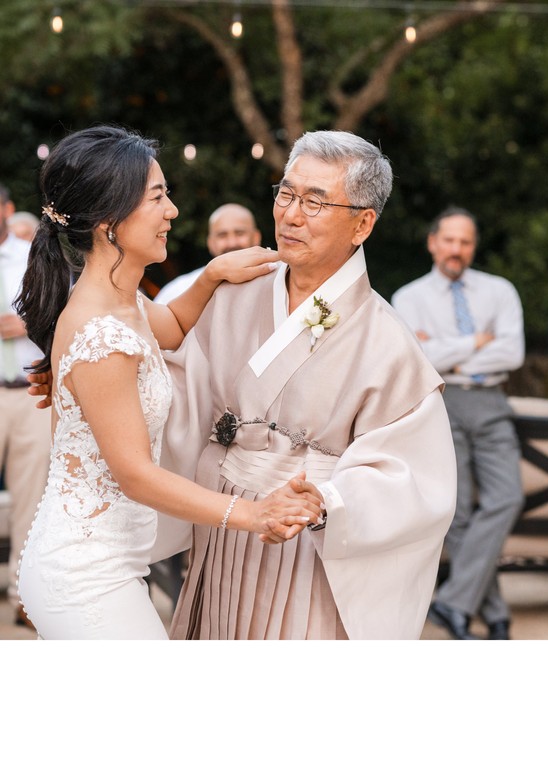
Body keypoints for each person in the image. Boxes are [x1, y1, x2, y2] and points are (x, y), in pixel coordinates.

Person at [14, 125, 321, 639]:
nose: (172, 212)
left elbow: (174, 329)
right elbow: (135, 474)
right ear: (110, 220)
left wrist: (212, 274)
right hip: (84, 575)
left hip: (110, 565)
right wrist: (254, 514)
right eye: (158, 197)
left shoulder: (121, 301)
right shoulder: (102, 334)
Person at [155, 130, 457, 639]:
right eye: (287, 193)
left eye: (316, 202)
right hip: (225, 522)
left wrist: (327, 504)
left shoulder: (386, 340)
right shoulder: (234, 296)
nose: (291, 215)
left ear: (363, 224)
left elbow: (413, 478)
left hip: (305, 545)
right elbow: (177, 397)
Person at [392, 207, 525, 640]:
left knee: (508, 496)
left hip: (490, 400)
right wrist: (475, 341)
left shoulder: (499, 291)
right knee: (458, 509)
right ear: (433, 242)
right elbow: (418, 359)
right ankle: (494, 610)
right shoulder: (408, 299)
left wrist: (444, 348)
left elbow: (512, 353)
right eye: (449, 240)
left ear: (473, 246)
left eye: (465, 242)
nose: (456, 249)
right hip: (439, 402)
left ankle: (453, 603)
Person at [0, 183, 50, 629]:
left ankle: (23, 596)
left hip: (28, 389)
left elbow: (60, 312)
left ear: (7, 209)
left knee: (31, 497)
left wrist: (29, 323)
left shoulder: (32, 255)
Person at [154, 203, 262, 304]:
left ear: (256, 237)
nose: (231, 243)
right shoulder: (179, 290)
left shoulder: (275, 280)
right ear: (210, 243)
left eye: (239, 233)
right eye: (222, 235)